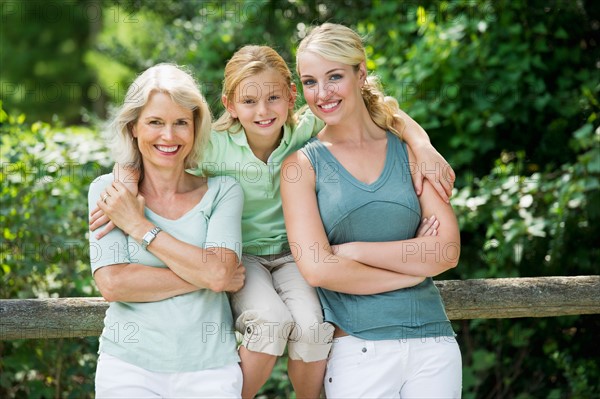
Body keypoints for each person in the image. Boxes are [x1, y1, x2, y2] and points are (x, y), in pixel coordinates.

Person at [90, 45, 454, 398]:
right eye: (248, 102)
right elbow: (159, 150)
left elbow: (378, 108)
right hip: (240, 257)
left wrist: (421, 144)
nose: (263, 111)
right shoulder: (211, 143)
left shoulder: (305, 129)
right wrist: (125, 178)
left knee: (313, 330)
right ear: (230, 105)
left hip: (292, 256)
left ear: (292, 96)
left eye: (273, 99)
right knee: (271, 324)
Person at [281, 23, 462, 398]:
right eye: (310, 82)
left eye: (334, 77)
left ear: (360, 73)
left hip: (434, 343)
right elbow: (317, 268)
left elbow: (445, 251)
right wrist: (411, 273)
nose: (323, 93)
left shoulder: (409, 150)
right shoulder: (302, 165)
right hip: (358, 349)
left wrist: (356, 253)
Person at [88, 63, 246, 398]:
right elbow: (114, 283)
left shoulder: (223, 191)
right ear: (133, 127)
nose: (169, 136)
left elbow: (218, 275)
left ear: (195, 127)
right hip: (128, 368)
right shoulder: (110, 191)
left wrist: (139, 226)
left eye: (180, 123)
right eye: (155, 122)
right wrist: (206, 274)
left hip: (211, 371)